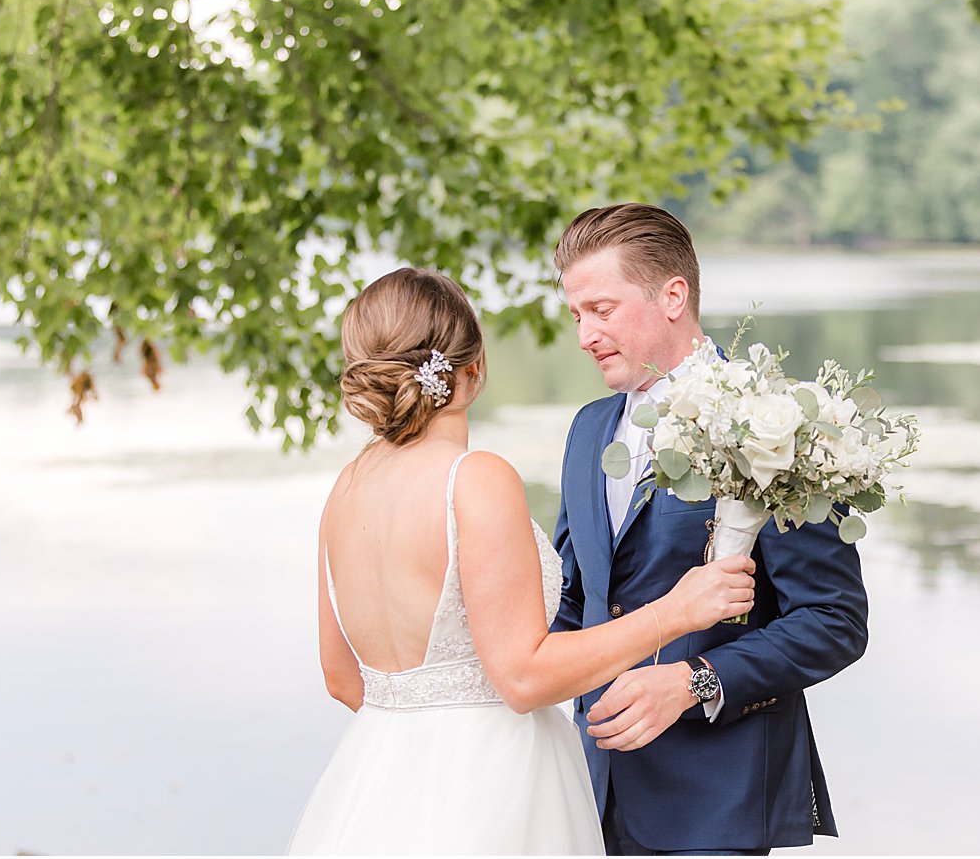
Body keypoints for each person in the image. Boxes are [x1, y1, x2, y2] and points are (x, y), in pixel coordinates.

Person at [285, 266, 756, 855]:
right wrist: (676, 611)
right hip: (489, 783)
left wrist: (422, 732)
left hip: (378, 777)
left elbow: (340, 675)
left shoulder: (345, 491)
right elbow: (523, 676)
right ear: (475, 366)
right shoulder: (474, 479)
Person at [551, 204, 869, 856]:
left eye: (602, 309)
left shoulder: (776, 422)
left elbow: (835, 620)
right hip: (590, 795)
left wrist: (693, 680)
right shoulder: (588, 430)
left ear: (673, 295)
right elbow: (576, 602)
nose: (585, 334)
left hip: (715, 805)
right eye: (576, 314)